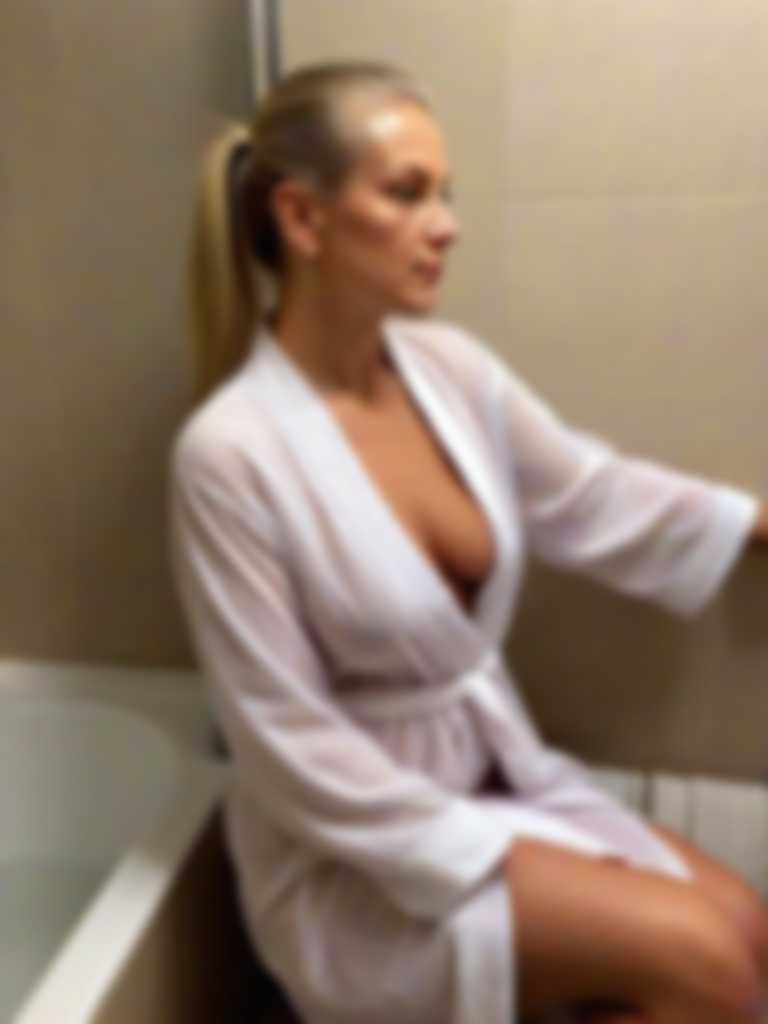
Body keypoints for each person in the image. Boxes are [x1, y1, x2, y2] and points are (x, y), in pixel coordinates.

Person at [169, 59, 768, 1024]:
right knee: (708, 964)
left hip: (492, 780)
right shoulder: (231, 454)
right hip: (356, 858)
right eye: (407, 194)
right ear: (303, 217)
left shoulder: (450, 372)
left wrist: (754, 523)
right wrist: (474, 850)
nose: (445, 225)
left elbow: (591, 494)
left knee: (746, 929)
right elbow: (283, 740)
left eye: (445, 194)